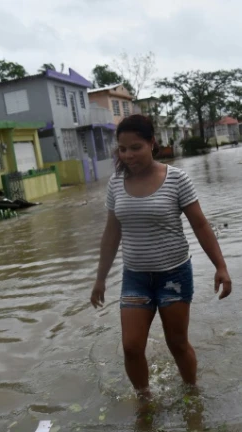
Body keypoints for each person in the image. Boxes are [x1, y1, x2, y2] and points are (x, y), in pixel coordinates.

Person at [90, 114, 232, 399]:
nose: (128, 155)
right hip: (135, 278)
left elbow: (201, 225)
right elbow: (111, 234)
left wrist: (221, 266)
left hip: (174, 276)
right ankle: (144, 400)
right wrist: (100, 279)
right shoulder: (116, 184)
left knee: (177, 343)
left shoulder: (176, 179)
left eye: (136, 147)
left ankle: (192, 395)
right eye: (122, 148)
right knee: (131, 346)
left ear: (152, 143)